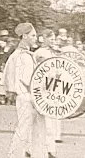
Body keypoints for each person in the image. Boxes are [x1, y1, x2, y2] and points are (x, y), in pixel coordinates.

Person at [7, 23, 52, 158]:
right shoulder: (24, 56)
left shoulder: (22, 54)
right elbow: (27, 80)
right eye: (33, 35)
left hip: (27, 96)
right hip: (28, 96)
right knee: (25, 129)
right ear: (24, 36)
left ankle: (31, 153)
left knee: (34, 128)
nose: (35, 38)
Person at [34, 29, 59, 157]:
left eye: (54, 39)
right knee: (43, 122)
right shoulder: (39, 53)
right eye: (50, 38)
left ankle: (50, 149)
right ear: (43, 38)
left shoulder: (54, 52)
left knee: (51, 122)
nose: (53, 41)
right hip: (43, 89)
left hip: (53, 88)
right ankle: (44, 149)